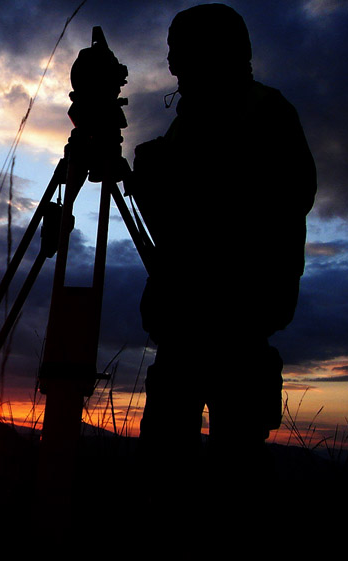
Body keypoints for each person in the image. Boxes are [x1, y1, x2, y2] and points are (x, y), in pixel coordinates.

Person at [130, 4, 316, 483]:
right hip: (184, 327)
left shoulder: (265, 114)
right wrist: (155, 178)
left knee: (234, 475)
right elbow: (176, 227)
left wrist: (175, 175)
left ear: (212, 53)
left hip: (236, 327)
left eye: (180, 53)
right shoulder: (191, 122)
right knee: (165, 466)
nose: (172, 65)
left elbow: (270, 207)